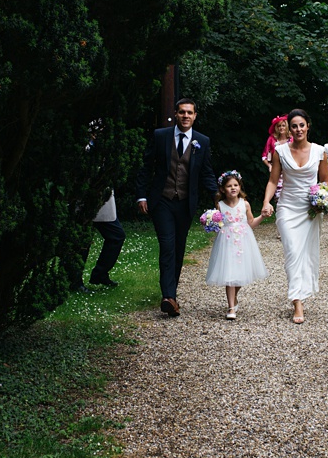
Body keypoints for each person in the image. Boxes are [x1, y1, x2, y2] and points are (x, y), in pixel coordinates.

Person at [135, 98, 217, 317]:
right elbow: (146, 166)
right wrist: (141, 195)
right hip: (162, 199)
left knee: (179, 248)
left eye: (190, 113)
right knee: (167, 245)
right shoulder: (161, 136)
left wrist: (218, 197)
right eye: (182, 112)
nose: (186, 116)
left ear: (195, 116)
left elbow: (207, 173)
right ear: (176, 114)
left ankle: (172, 294)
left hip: (185, 203)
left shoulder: (202, 141)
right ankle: (168, 296)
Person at [261, 109, 328, 324]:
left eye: (301, 125)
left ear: (308, 126)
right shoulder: (280, 151)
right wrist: (266, 202)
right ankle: (297, 302)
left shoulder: (320, 151)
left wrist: (323, 201)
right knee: (292, 252)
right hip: (287, 208)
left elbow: (325, 181)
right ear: (289, 129)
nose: (298, 129)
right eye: (294, 126)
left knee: (305, 254)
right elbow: (273, 180)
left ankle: (301, 294)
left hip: (309, 210)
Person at [203, 171, 268, 320]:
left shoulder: (244, 204)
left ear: (240, 187)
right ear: (222, 189)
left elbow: (251, 223)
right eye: (229, 186)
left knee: (241, 275)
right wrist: (209, 222)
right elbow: (217, 224)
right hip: (227, 242)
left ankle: (235, 297)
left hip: (243, 241)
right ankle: (231, 307)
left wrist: (262, 217)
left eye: (235, 185)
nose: (233, 188)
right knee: (229, 274)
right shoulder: (219, 205)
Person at [70, 189, 126, 291]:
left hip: (102, 195)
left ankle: (99, 274)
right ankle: (75, 281)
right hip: (86, 193)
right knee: (83, 240)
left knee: (116, 236)